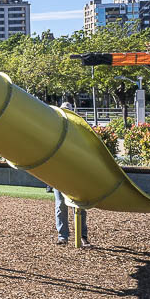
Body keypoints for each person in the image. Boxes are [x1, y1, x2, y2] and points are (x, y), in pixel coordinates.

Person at [52, 101, 89, 245]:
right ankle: (63, 236)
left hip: (75, 172)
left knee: (79, 204)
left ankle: (82, 235)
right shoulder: (55, 130)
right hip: (59, 172)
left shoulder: (79, 130)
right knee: (61, 204)